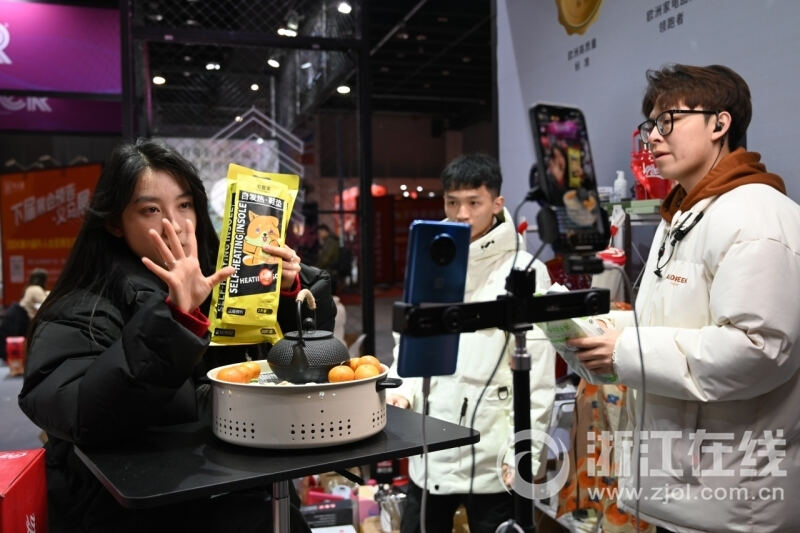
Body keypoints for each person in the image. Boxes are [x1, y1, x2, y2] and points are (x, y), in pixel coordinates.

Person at [18, 139, 336, 533]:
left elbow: (299, 364)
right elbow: (81, 413)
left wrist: (287, 296)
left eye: (185, 205)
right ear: (115, 223)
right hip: (136, 513)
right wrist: (174, 320)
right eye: (151, 210)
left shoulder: (226, 284)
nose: (177, 224)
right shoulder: (83, 307)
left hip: (246, 493)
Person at [569, 64, 800, 532]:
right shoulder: (684, 214)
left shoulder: (757, 216)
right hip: (685, 490)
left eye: (668, 120)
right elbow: (680, 323)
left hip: (735, 502)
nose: (653, 137)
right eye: (650, 125)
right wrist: (609, 333)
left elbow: (759, 349)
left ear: (720, 124)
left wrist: (627, 350)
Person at [387, 153, 556, 533]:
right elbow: (408, 340)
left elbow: (538, 377)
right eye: (452, 202)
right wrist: (403, 390)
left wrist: (524, 452)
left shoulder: (525, 269)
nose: (461, 214)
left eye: (473, 202)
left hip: (492, 458)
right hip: (430, 451)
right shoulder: (429, 260)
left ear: (497, 204)